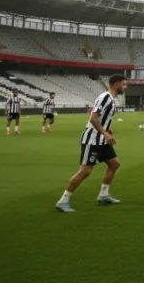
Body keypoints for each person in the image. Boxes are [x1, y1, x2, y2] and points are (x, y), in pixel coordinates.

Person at [55, 74, 128, 212]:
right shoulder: (106, 97)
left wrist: (107, 130)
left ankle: (103, 195)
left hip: (101, 138)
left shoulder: (111, 99)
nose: (126, 87)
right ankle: (63, 201)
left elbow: (101, 119)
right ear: (116, 84)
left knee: (114, 164)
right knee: (85, 170)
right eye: (124, 84)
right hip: (93, 138)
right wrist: (105, 133)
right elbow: (93, 118)